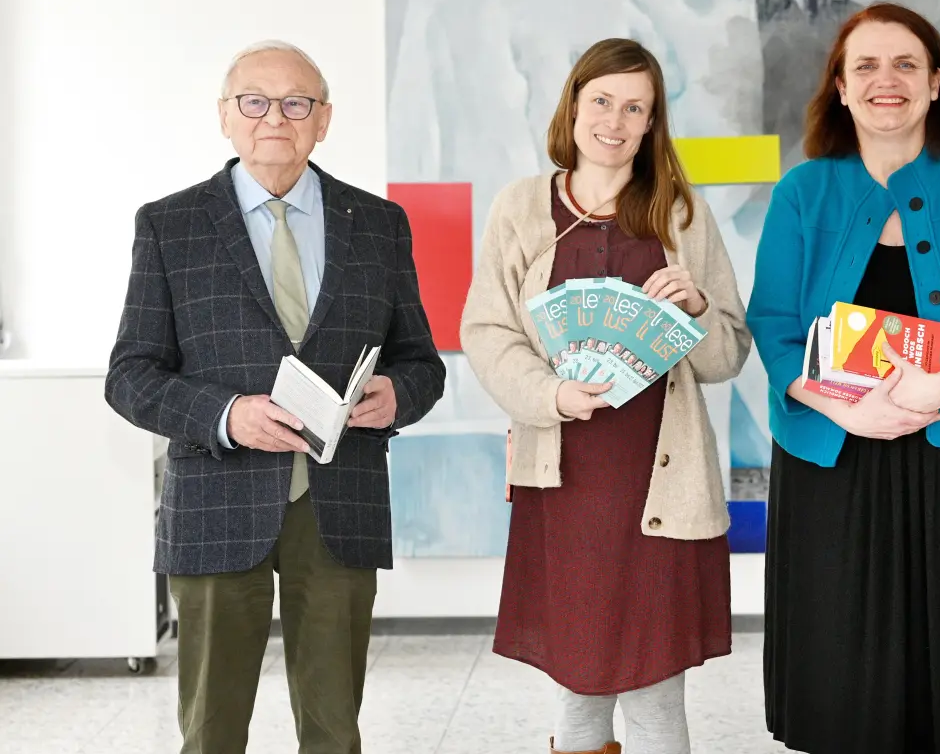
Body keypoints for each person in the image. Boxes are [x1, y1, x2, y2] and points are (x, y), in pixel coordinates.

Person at [105, 40, 446, 754]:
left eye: (297, 104)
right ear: (226, 117)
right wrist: (228, 416)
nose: (275, 119)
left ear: (323, 120)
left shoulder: (378, 224)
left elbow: (421, 361)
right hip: (216, 504)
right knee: (211, 731)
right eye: (254, 102)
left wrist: (398, 395)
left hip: (340, 502)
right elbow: (131, 375)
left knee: (333, 730)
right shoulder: (170, 226)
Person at [748, 2, 940, 754]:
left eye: (907, 64)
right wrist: (843, 408)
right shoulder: (802, 192)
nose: (888, 81)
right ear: (841, 90)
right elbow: (775, 325)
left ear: (938, 82)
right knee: (840, 664)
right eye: (866, 66)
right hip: (833, 455)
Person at [460, 37, 751, 754]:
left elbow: (727, 355)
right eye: (602, 101)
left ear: (652, 124)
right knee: (579, 690)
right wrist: (551, 394)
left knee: (656, 697)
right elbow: (487, 330)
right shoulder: (522, 208)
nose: (615, 121)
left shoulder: (683, 213)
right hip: (564, 484)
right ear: (574, 106)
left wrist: (696, 311)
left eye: (635, 108)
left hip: (661, 484)